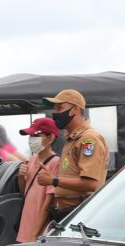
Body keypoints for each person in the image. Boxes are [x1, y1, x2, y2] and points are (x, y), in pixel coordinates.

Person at [36, 89, 109, 220]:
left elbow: (91, 184)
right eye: (54, 109)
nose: (55, 113)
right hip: (69, 213)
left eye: (60, 108)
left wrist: (54, 180)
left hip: (80, 215)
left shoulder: (88, 139)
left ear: (75, 110)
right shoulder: (72, 139)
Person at [16, 118, 61, 242]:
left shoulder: (55, 162)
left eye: (36, 135)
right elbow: (24, 192)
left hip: (39, 230)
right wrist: (21, 178)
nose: (31, 139)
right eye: (30, 136)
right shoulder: (33, 158)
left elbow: (49, 202)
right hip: (26, 226)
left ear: (50, 138)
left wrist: (34, 234)